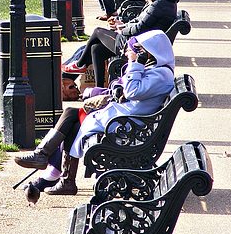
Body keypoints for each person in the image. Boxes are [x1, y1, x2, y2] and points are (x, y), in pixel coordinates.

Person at [16, 30, 175, 195]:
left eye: (137, 49)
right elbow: (127, 87)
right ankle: (58, 174)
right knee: (73, 118)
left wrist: (136, 65)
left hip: (127, 125)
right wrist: (116, 85)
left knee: (73, 117)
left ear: (149, 52)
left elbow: (132, 91)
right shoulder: (156, 69)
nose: (131, 52)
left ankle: (51, 166)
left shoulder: (161, 74)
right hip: (126, 118)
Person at [62, 0, 178, 87]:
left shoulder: (157, 6)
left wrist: (121, 31)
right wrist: (122, 25)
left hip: (137, 45)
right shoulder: (164, 4)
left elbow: (140, 27)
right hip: (144, 41)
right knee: (96, 49)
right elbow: (139, 21)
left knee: (97, 31)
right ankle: (99, 89)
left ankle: (79, 64)